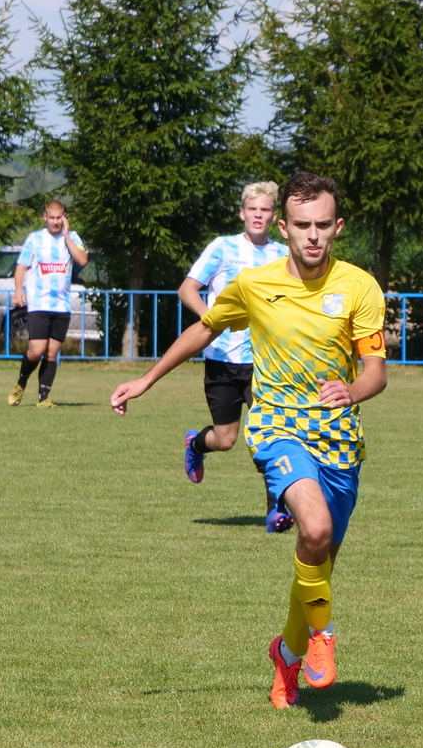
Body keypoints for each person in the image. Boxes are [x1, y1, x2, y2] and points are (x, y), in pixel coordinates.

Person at [111, 174, 387, 706]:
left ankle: (286, 653)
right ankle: (323, 635)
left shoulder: (360, 286)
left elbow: (375, 370)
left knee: (317, 559)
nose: (312, 235)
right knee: (315, 527)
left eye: (322, 225)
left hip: (339, 440)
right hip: (278, 428)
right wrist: (145, 380)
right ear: (284, 227)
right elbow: (205, 329)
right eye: (302, 225)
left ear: (338, 227)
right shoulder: (255, 284)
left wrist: (351, 390)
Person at [179, 182, 292, 530]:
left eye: (265, 209)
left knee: (272, 437)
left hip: (265, 363)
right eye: (253, 209)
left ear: (274, 217)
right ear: (242, 213)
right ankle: (196, 444)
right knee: (226, 439)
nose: (258, 215)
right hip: (222, 360)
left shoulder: (283, 255)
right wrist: (211, 320)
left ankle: (276, 511)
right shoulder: (223, 247)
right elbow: (187, 289)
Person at [9, 200, 89, 408]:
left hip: (62, 305)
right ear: (45, 217)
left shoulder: (72, 238)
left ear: (64, 217)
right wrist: (18, 290)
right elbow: (21, 266)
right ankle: (21, 382)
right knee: (37, 350)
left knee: (52, 352)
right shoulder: (35, 239)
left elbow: (83, 260)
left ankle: (43, 398)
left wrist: (67, 237)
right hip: (39, 303)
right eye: (51, 218)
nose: (55, 222)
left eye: (58, 218)